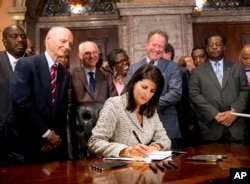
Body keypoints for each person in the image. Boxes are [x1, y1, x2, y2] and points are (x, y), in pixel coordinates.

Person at [4, 26, 73, 164]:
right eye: (63, 41)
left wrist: (55, 139)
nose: (67, 47)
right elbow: (21, 104)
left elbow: (60, 112)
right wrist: (46, 134)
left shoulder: (64, 73)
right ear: (48, 39)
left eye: (70, 44)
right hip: (25, 144)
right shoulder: (26, 64)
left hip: (51, 147)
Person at [88, 64, 171, 158]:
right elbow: (95, 142)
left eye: (152, 91)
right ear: (134, 83)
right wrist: (126, 151)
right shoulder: (114, 105)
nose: (147, 94)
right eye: (144, 87)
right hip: (117, 169)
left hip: (144, 167)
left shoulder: (150, 109)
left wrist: (155, 147)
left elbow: (165, 140)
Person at [125, 30, 182, 149]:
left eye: (161, 46)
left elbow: (175, 93)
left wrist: (149, 104)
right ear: (147, 45)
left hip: (167, 125)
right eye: (154, 45)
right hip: (138, 127)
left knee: (171, 166)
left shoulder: (173, 67)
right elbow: (127, 93)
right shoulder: (134, 68)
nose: (157, 49)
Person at [189, 33, 249, 145]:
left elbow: (245, 91)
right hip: (210, 129)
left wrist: (233, 112)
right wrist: (215, 114)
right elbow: (194, 95)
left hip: (236, 128)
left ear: (224, 47)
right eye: (211, 45)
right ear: (207, 48)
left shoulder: (237, 68)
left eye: (218, 44)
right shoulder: (197, 72)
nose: (214, 47)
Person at [0, 24, 28, 165]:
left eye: (23, 36)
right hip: (2, 134)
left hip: (30, 135)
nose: (20, 40)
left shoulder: (37, 63)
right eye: (14, 36)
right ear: (4, 42)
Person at [70, 41, 117, 105]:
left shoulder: (107, 76)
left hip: (103, 114)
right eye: (87, 53)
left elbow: (114, 102)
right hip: (80, 114)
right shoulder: (71, 75)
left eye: (95, 52)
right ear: (80, 55)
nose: (92, 56)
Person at [239, 44, 250, 145]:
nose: (248, 62)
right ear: (240, 59)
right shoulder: (234, 73)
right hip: (241, 119)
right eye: (245, 58)